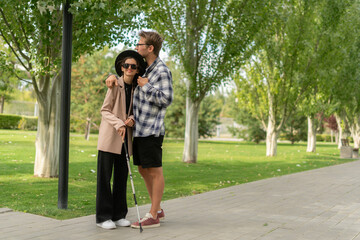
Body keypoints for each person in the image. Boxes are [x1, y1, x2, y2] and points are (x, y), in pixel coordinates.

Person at [106, 30, 173, 229]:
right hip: (139, 130)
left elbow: (166, 99)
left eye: (139, 44)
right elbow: (125, 76)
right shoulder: (144, 70)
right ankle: (157, 208)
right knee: (143, 169)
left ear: (150, 48)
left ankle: (153, 215)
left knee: (154, 170)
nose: (136, 47)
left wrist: (146, 86)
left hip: (152, 130)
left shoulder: (161, 70)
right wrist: (111, 75)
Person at [96, 50, 146, 229]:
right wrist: (119, 124)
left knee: (121, 178)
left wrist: (132, 119)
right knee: (104, 178)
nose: (129, 68)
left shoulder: (137, 88)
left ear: (137, 68)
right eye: (126, 66)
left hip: (126, 140)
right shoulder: (114, 84)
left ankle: (119, 215)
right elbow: (105, 110)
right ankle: (103, 217)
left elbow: (135, 111)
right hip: (110, 138)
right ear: (121, 67)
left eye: (133, 66)